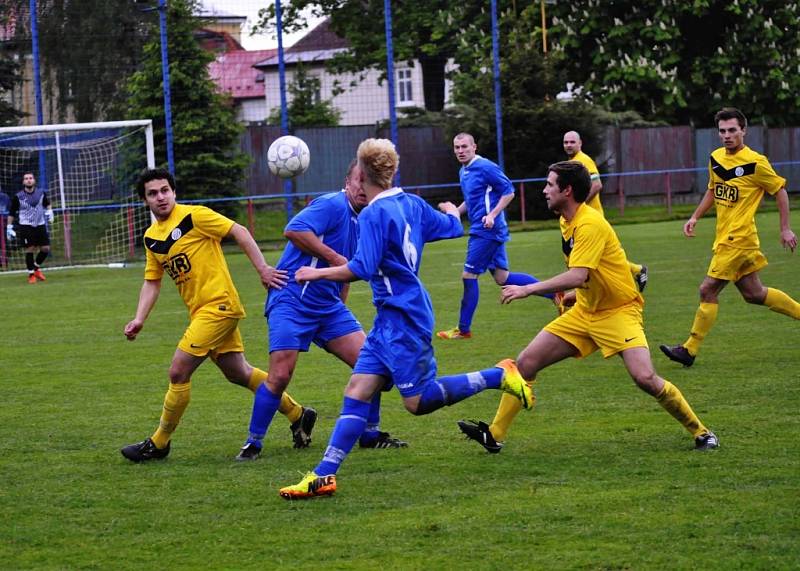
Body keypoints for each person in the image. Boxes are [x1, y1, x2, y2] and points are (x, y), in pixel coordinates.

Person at [278, 138, 534, 499]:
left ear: (363, 173)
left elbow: (362, 268)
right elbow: (451, 228)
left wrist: (313, 273)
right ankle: (323, 476)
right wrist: (450, 211)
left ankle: (498, 375)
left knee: (417, 402)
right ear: (392, 171)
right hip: (391, 318)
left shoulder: (372, 214)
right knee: (357, 390)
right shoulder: (411, 203)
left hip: (405, 318)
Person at [457, 161, 718, 455]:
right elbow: (587, 274)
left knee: (644, 378)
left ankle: (702, 432)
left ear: (567, 191)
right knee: (526, 363)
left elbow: (579, 274)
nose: (544, 190)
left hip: (619, 311)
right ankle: (494, 435)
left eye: (550, 185)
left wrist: (528, 288)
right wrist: (573, 294)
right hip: (585, 311)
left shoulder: (590, 223)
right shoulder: (566, 219)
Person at [120, 167, 310, 462]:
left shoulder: (194, 216)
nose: (160, 197)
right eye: (153, 193)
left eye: (165, 190)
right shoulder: (151, 238)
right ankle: (297, 413)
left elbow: (240, 232)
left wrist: (263, 269)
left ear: (174, 192)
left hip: (219, 306)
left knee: (178, 371)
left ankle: (159, 443)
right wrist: (140, 318)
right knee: (238, 373)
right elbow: (152, 281)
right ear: (144, 200)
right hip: (201, 312)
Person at [236, 160, 407, 462]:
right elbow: (294, 229)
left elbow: (351, 271)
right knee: (280, 375)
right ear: (348, 181)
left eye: (367, 182)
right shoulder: (332, 204)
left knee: (374, 365)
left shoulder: (369, 220)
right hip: (291, 300)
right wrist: (334, 257)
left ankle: (370, 433)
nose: (362, 188)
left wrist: (340, 300)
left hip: (329, 308)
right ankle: (253, 444)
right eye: (358, 180)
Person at [660, 107, 798, 367]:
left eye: (732, 130)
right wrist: (694, 217)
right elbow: (713, 190)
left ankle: (688, 350)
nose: (727, 135)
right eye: (722, 131)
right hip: (726, 237)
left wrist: (785, 228)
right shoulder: (716, 158)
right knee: (754, 294)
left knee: (707, 289)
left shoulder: (756, 162)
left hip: (738, 238)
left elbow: (780, 190)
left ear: (743, 130)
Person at [436, 132, 551, 340]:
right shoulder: (464, 171)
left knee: (468, 276)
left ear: (474, 147)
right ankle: (556, 294)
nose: (460, 151)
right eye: (457, 147)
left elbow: (509, 191)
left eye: (464, 147)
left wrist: (492, 214)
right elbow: (471, 201)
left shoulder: (486, 167)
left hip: (487, 231)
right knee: (502, 278)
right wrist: (453, 214)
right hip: (484, 230)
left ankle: (463, 329)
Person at [563, 130, 647, 291]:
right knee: (599, 258)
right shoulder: (573, 162)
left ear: (580, 143)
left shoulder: (583, 161)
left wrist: (579, 204)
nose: (569, 145)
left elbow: (597, 184)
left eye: (572, 142)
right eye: (566, 142)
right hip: (580, 219)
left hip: (590, 219)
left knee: (588, 257)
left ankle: (595, 289)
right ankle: (636, 271)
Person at [8, 172, 53, 284]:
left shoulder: (41, 193)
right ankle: (31, 275)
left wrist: (50, 210)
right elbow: (12, 212)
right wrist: (9, 227)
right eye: (26, 178)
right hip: (26, 226)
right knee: (30, 249)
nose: (28, 180)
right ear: (23, 182)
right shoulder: (18, 196)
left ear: (34, 180)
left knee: (46, 248)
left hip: (40, 224)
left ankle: (36, 268)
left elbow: (47, 203)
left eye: (31, 178)